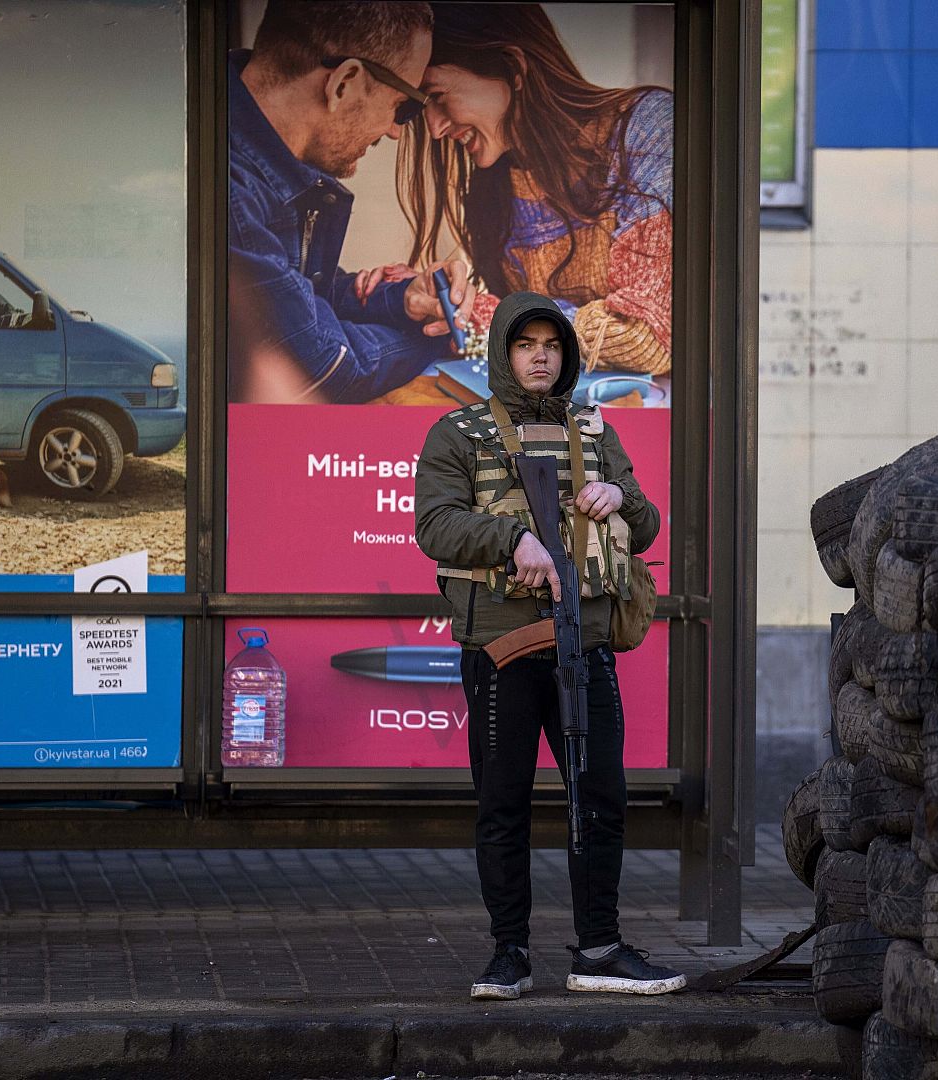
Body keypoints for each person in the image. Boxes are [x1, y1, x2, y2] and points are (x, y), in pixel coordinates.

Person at [414, 291, 684, 1000]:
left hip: (585, 642)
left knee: (600, 798)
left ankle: (597, 949)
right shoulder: (459, 432)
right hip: (502, 647)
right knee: (503, 803)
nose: (541, 355)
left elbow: (648, 523)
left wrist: (618, 501)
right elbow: (436, 527)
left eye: (553, 345)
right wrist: (512, 537)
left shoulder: (592, 430)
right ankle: (510, 955)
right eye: (527, 343)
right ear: (504, 351)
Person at [396, 5, 672, 377]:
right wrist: (419, 295)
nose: (434, 128)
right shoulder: (496, 184)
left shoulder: (647, 129)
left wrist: (493, 316)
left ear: (514, 69)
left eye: (439, 96)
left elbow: (644, 337)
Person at [228, 0, 476, 403]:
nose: (396, 132)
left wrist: (406, 299)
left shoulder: (266, 160)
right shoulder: (232, 192)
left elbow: (303, 297)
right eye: (405, 106)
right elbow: (325, 367)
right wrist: (440, 339)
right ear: (344, 82)